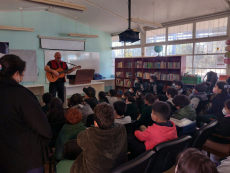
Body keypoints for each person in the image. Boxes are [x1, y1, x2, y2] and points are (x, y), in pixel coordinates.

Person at [0, 55, 52, 173]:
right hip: (26, 158)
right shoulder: (22, 95)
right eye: (22, 75)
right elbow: (43, 127)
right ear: (16, 73)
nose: (22, 78)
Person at [56, 103, 127, 173]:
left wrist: (91, 130)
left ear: (95, 123)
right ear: (114, 119)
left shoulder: (88, 135)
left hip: (91, 170)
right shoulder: (122, 129)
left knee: (60, 165)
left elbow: (80, 138)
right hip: (118, 167)